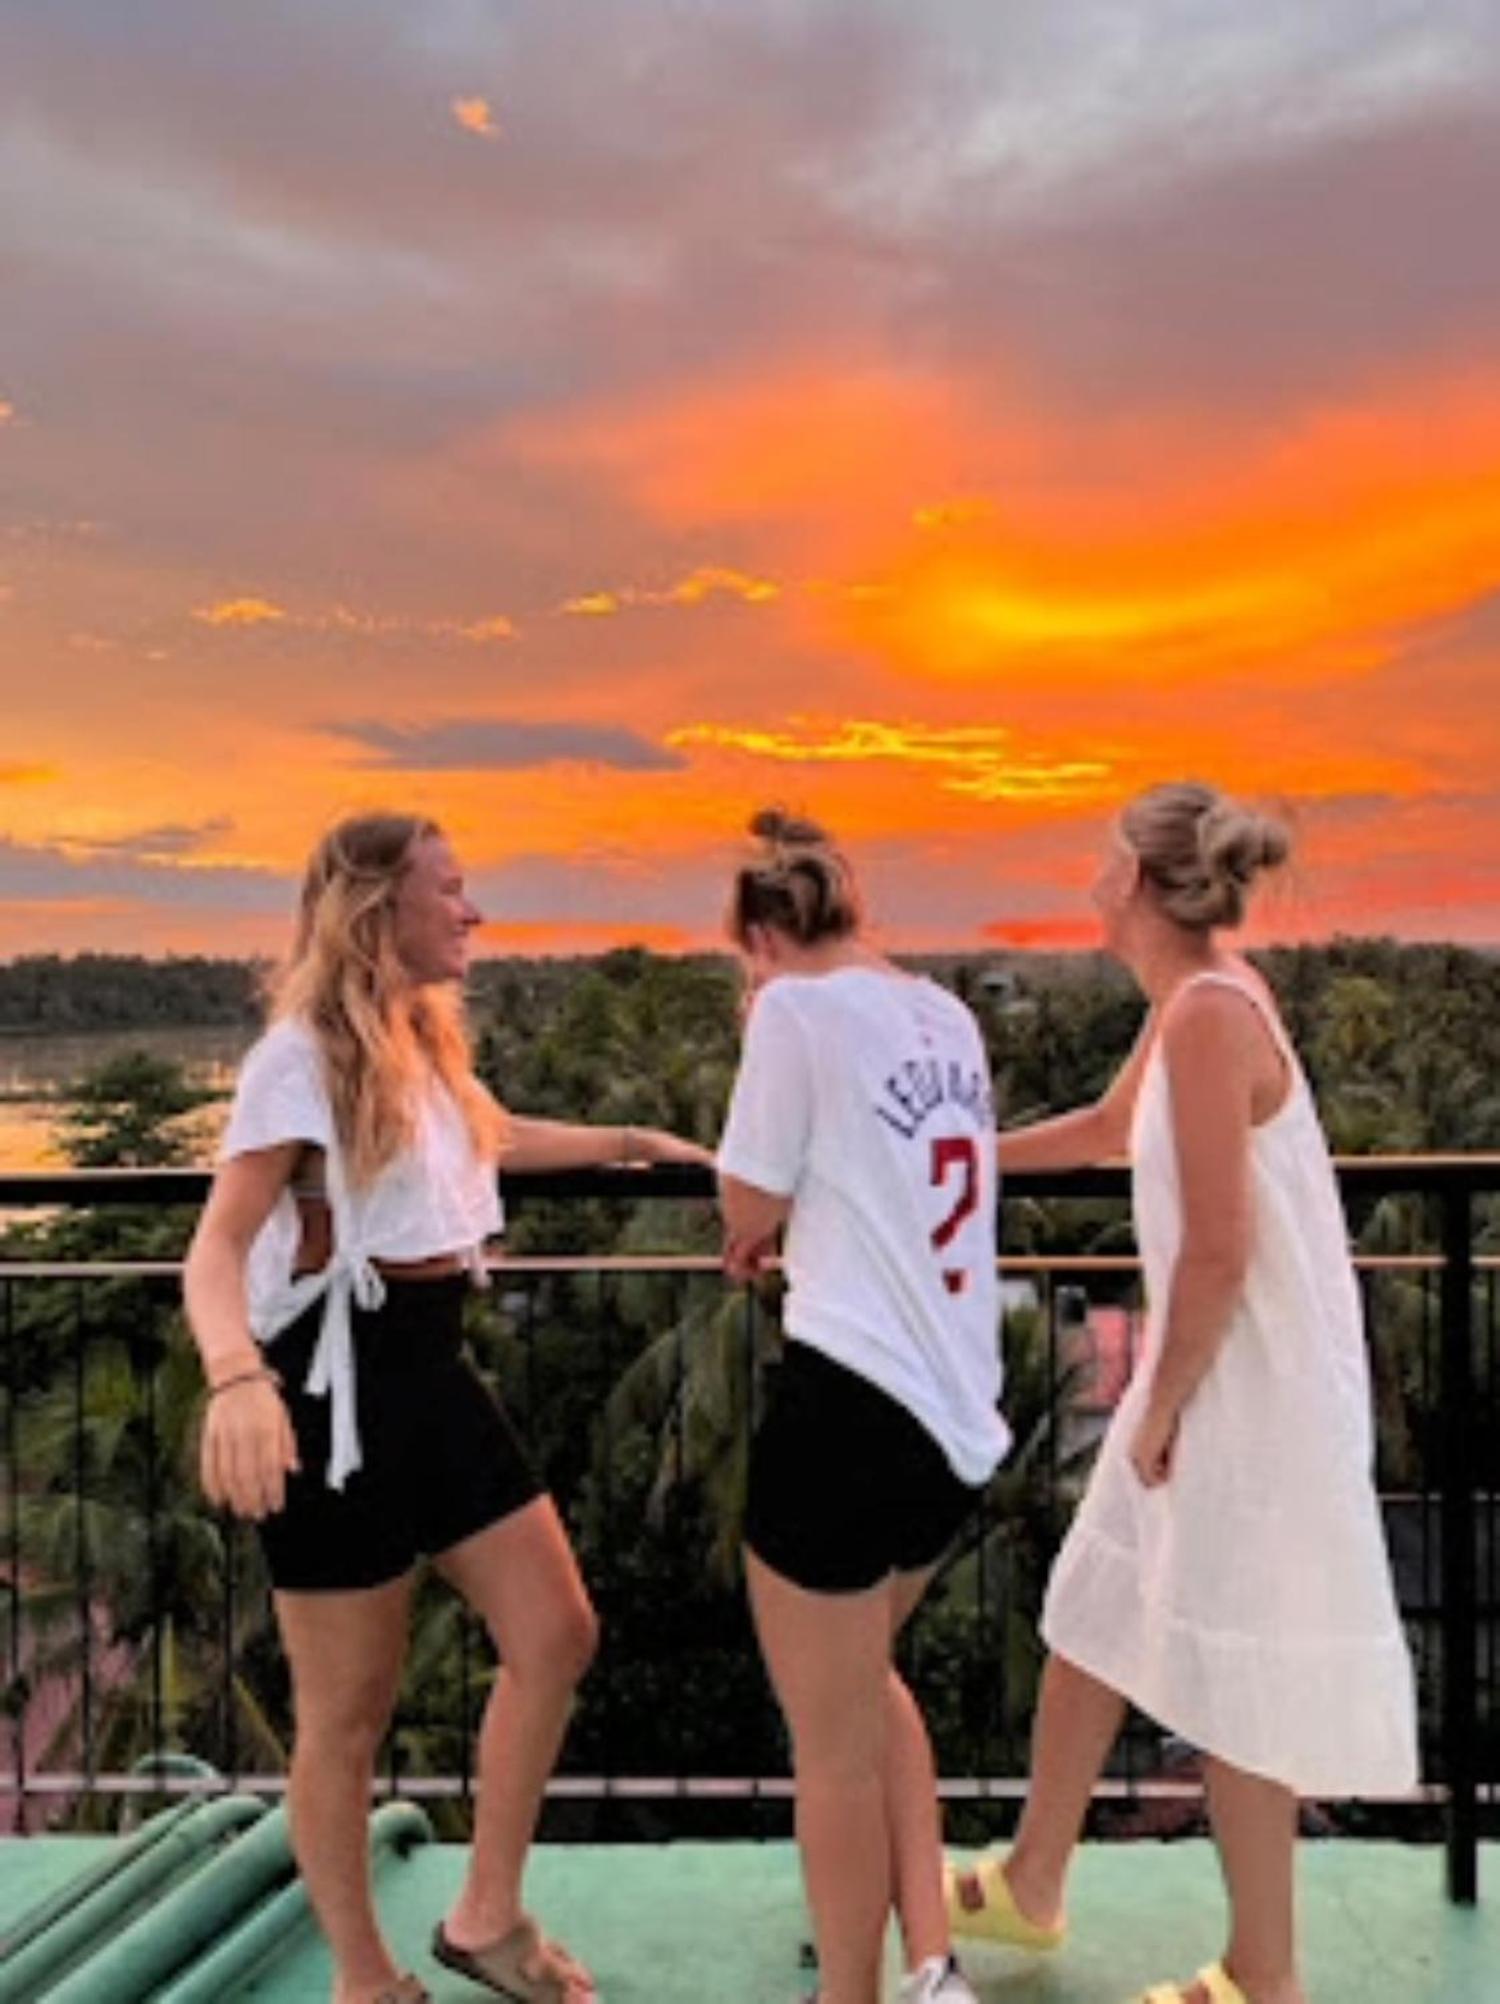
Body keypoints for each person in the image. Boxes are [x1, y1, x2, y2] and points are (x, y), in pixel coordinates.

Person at [184, 811, 708, 2004]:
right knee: (347, 1714)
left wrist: (639, 1142)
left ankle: (485, 1914)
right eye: (451, 890)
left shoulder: (420, 1041)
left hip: (431, 1371)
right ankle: (364, 1976)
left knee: (556, 1631)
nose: (472, 911)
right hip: (331, 1396)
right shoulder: (298, 1059)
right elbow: (214, 1248)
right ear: (379, 908)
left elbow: (487, 1138)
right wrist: (236, 1378)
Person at [947, 782, 1418, 2004]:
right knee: (1096, 1608)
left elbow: (1218, 1246)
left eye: (1106, 862)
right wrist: (950, 1168)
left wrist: (1157, 1408)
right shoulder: (1190, 1001)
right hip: (1212, 1373)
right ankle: (1034, 1882)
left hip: (1244, 1389)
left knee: (1233, 1672)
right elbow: (1110, 1127)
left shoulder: (1212, 1012)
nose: (1091, 883)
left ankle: (1266, 1974)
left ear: (1144, 884)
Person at [716, 809, 1011, 2004]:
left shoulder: (791, 1009)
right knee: (868, 1686)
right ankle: (931, 1964)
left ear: (760, 937)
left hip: (846, 1404)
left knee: (830, 1750)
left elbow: (747, 1200)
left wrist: (761, 1222)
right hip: (953, 1423)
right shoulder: (945, 1014)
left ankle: (851, 1994)